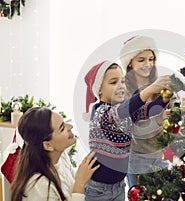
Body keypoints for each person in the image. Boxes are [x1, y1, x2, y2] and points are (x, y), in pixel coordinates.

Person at [83, 60, 172, 201]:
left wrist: (167, 94)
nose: (120, 86)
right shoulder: (100, 111)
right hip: (97, 189)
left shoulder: (123, 110)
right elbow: (123, 110)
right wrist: (150, 89)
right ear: (99, 89)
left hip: (118, 186)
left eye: (123, 81)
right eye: (113, 82)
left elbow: (151, 109)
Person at [10, 107, 100, 201]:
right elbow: (76, 190)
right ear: (48, 145)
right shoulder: (39, 188)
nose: (70, 126)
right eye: (62, 128)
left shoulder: (61, 157)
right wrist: (79, 185)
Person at [120, 35, 172, 188]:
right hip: (137, 159)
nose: (148, 64)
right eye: (141, 60)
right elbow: (134, 128)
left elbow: (174, 109)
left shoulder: (161, 83)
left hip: (161, 156)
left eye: (151, 59)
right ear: (130, 63)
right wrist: (159, 119)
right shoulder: (124, 90)